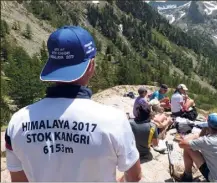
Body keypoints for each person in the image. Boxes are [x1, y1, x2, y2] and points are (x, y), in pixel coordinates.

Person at [3, 26, 141, 182]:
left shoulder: (17, 121)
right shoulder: (114, 120)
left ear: (52, 66)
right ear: (91, 66)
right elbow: (134, 176)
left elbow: (18, 180)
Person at [175, 113, 217, 182]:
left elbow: (181, 144)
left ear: (208, 126)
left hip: (216, 180)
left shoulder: (207, 141)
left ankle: (187, 176)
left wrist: (195, 135)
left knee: (188, 148)